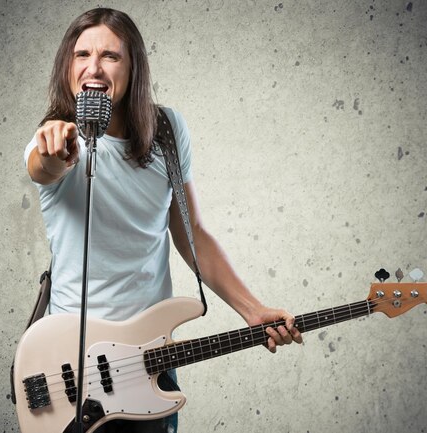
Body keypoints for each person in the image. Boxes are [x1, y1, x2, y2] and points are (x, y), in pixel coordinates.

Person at [23, 7, 302, 433]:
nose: (92, 67)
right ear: (67, 65)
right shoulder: (56, 140)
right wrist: (52, 151)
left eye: (110, 56)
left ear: (133, 66)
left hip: (151, 355)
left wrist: (253, 310)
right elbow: (42, 167)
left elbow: (191, 235)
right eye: (81, 55)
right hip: (70, 363)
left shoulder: (167, 131)